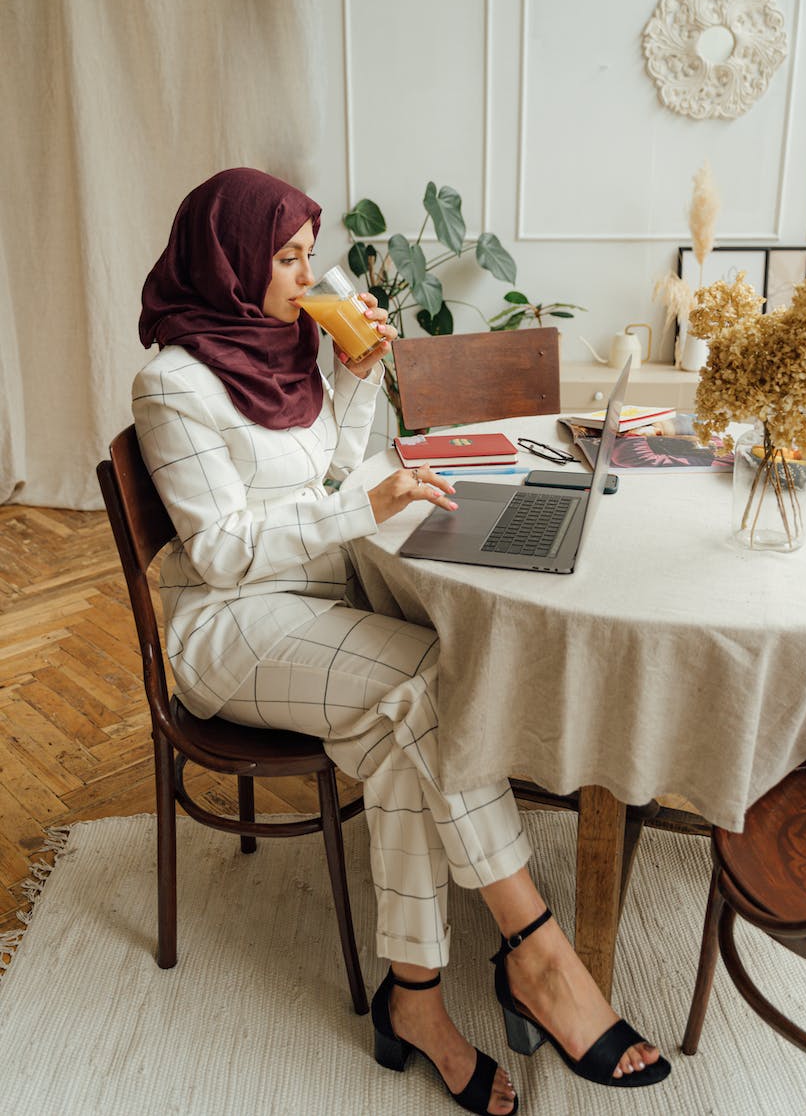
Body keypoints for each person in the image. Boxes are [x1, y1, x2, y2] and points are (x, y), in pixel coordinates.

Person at [133, 167, 669, 1115]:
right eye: (287, 258)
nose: (307, 277)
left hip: (315, 598)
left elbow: (340, 465)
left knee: (398, 745)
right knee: (427, 677)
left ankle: (412, 1000)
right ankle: (537, 951)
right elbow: (216, 553)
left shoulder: (288, 346)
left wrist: (355, 381)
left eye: (308, 255)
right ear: (227, 262)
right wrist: (357, 506)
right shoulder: (172, 384)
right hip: (234, 624)